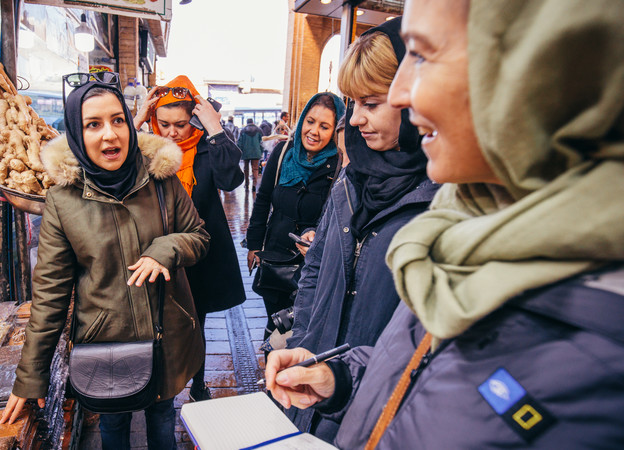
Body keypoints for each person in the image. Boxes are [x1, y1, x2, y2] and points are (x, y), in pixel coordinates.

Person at [266, 0, 624, 448]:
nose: (401, 94)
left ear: (537, 65)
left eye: (423, 55)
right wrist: (339, 376)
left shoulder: (458, 218)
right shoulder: (466, 219)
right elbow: (421, 376)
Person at [1, 72, 211, 450]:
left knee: (163, 427)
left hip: (169, 336)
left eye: (117, 120)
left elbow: (199, 238)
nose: (110, 134)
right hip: (106, 343)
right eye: (93, 124)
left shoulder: (162, 180)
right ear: (77, 136)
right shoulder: (63, 202)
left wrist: (165, 249)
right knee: (113, 431)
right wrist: (31, 375)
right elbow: (49, 295)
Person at [283, 18, 439, 442]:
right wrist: (302, 344)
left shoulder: (444, 196)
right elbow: (314, 273)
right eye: (352, 104)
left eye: (371, 104)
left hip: (380, 405)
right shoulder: (352, 179)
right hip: (319, 386)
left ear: (414, 99)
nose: (353, 121)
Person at [134, 75, 246, 402]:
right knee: (158, 324)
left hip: (200, 254)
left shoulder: (207, 150)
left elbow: (230, 180)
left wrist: (215, 128)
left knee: (196, 324)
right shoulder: (146, 150)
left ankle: (197, 384)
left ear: (193, 120)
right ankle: (161, 389)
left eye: (181, 124)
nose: (171, 132)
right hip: (154, 251)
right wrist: (137, 120)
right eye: (164, 123)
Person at [246, 92, 345, 341]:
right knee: (275, 318)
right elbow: (263, 200)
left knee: (299, 324)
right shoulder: (283, 153)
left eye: (325, 126)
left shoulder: (338, 163)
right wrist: (255, 245)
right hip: (276, 253)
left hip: (311, 261)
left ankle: (285, 364)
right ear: (302, 121)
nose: (314, 131)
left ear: (335, 130)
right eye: (310, 122)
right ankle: (273, 360)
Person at [238, 118, 263, 191]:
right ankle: (254, 185)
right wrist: (261, 151)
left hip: (246, 152)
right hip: (256, 152)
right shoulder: (259, 130)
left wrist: (240, 151)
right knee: (255, 168)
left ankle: (246, 184)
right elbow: (262, 142)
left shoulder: (243, 130)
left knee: (246, 169)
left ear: (247, 122)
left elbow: (239, 143)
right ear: (253, 122)